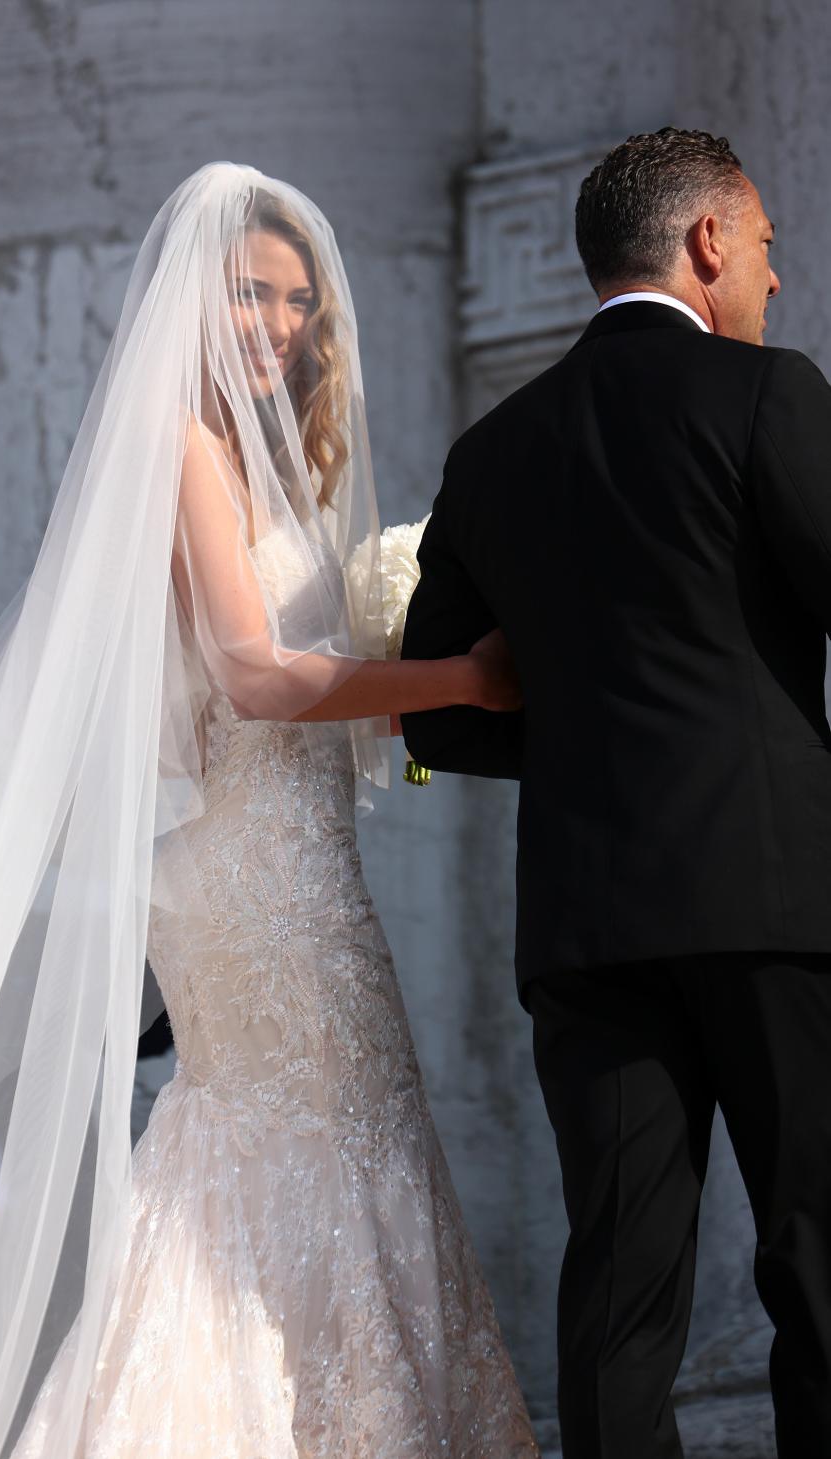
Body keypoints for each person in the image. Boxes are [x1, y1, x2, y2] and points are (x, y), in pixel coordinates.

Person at [0, 164, 539, 1457]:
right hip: (239, 871)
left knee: (351, 1118)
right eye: (252, 292)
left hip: (305, 856)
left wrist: (403, 666)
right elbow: (250, 678)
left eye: (299, 301)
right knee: (278, 1122)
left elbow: (295, 677)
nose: (281, 323)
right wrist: (462, 674)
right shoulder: (178, 442)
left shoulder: (273, 461)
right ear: (195, 294)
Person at [402, 126, 831, 1458]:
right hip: (778, 898)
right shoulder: (767, 394)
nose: (773, 282)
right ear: (707, 243)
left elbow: (442, 712)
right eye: (765, 250)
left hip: (587, 918)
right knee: (819, 1250)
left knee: (621, 1282)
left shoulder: (491, 451)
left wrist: (589, 738)